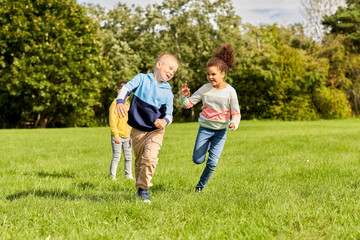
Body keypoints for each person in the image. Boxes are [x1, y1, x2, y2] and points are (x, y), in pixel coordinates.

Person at [115, 53, 179, 203]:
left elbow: (169, 114)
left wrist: (164, 121)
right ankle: (139, 189)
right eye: (169, 68)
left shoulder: (167, 92)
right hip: (137, 130)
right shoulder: (142, 79)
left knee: (150, 159)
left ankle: (144, 189)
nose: (171, 72)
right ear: (158, 65)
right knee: (139, 163)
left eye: (174, 71)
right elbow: (126, 89)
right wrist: (120, 101)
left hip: (155, 131)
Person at [179, 44, 240, 192]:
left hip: (220, 132)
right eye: (208, 74)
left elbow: (236, 113)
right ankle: (205, 148)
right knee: (198, 160)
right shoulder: (205, 89)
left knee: (212, 163)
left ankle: (200, 187)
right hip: (205, 130)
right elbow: (188, 104)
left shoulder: (230, 92)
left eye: (213, 74)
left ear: (223, 73)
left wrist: (233, 123)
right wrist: (183, 96)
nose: (210, 77)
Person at [109, 81, 133, 181]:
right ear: (118, 91)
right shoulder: (114, 105)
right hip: (118, 136)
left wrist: (132, 136)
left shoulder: (128, 105)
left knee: (128, 157)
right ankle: (112, 177)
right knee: (116, 157)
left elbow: (131, 122)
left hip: (128, 136)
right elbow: (112, 121)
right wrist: (116, 135)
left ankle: (128, 176)